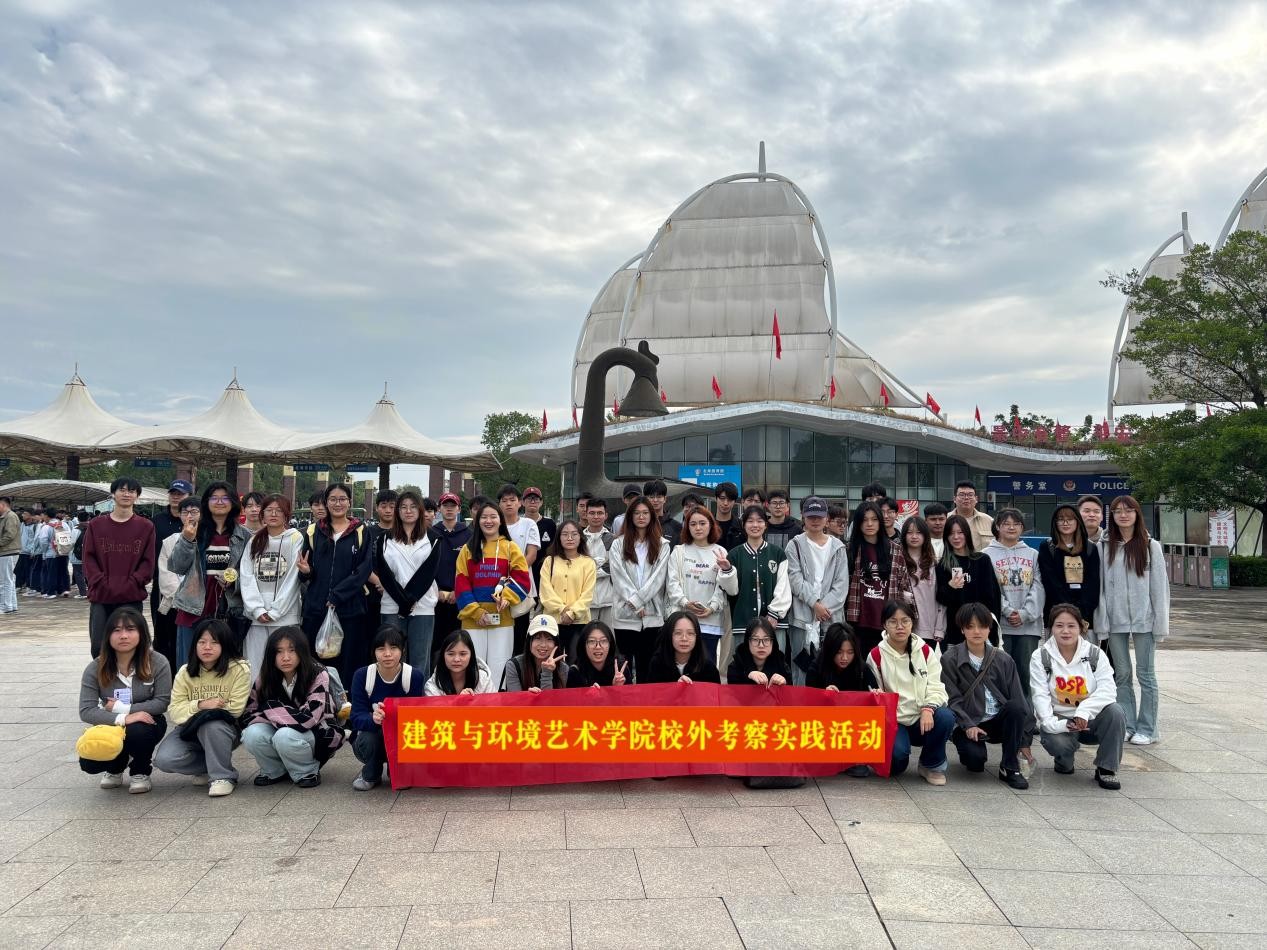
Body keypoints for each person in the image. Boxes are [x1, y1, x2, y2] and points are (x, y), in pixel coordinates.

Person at [1094, 495, 1169, 747]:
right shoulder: (1104, 547)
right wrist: (1102, 621)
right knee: (1122, 674)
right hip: (1115, 621)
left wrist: (1160, 623)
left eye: (1129, 510)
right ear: (1112, 516)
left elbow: (1159, 588)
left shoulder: (1150, 546)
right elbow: (1100, 588)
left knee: (1146, 674)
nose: (1123, 515)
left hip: (1144, 620)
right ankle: (1127, 724)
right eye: (1118, 511)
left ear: (1137, 514)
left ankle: (1148, 728)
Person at [1030, 603, 1126, 790]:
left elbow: (1108, 690)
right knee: (1057, 744)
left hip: (1090, 719)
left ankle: (1106, 768)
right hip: (1061, 719)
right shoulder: (1040, 656)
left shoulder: (1095, 654)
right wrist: (1057, 724)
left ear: (1081, 627)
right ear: (1050, 628)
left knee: (1116, 712)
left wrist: (1083, 712)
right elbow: (1039, 695)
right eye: (1059, 625)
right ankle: (1064, 758)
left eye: (1071, 626)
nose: (1065, 631)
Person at [152, 618, 251, 797]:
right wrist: (201, 704)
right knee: (164, 760)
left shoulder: (238, 669)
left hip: (225, 729)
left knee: (211, 725)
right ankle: (212, 764)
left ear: (225, 645)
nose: (207, 647)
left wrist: (201, 711)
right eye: (202, 642)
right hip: (189, 728)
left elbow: (235, 709)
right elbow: (175, 711)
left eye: (214, 642)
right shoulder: (185, 672)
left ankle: (223, 777)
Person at [77, 606, 172, 793]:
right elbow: (86, 710)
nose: (123, 636)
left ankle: (140, 771)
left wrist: (123, 708)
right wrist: (124, 717)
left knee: (138, 730)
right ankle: (116, 767)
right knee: (89, 763)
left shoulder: (158, 662)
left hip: (148, 722)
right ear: (108, 635)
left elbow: (162, 702)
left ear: (142, 633)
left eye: (130, 629)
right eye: (117, 630)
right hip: (111, 724)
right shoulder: (95, 667)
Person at [941, 603, 1034, 789]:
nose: (977, 631)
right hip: (969, 722)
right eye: (970, 626)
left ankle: (1009, 766)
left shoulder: (1003, 659)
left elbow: (1019, 700)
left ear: (989, 628)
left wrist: (1024, 741)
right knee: (975, 762)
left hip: (998, 721)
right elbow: (952, 699)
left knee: (1015, 707)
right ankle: (967, 748)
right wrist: (968, 725)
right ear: (962, 629)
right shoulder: (950, 658)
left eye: (982, 626)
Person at [242, 626, 345, 788]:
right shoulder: (266, 676)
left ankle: (306, 772)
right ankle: (274, 770)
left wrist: (270, 708)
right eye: (279, 651)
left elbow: (308, 719)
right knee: (252, 734)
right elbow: (249, 715)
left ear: (301, 651)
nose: (285, 657)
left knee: (284, 735)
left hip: (319, 734)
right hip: (286, 730)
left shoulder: (318, 674)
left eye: (292, 650)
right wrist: (278, 714)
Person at [865, 600, 954, 785]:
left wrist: (928, 708)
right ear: (884, 625)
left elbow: (936, 686)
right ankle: (896, 755)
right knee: (896, 765)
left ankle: (930, 765)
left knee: (945, 717)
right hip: (894, 721)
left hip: (923, 717)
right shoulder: (876, 655)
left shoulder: (925, 651)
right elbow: (873, 693)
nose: (900, 627)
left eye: (905, 621)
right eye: (893, 621)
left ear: (912, 623)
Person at [169, 482, 252, 664]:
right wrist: (187, 540)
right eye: (214, 498)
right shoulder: (193, 530)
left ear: (233, 502)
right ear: (206, 502)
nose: (219, 502)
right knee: (190, 666)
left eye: (225, 498)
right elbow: (177, 566)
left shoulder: (245, 536)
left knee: (225, 667)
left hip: (228, 610)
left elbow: (250, 574)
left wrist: (235, 581)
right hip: (194, 608)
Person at [298, 483, 373, 682]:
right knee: (315, 660)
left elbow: (364, 569)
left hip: (350, 609)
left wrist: (337, 596)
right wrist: (306, 572)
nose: (337, 504)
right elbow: (307, 570)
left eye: (342, 499)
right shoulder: (314, 531)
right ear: (326, 502)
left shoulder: (360, 531)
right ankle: (317, 696)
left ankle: (346, 698)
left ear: (349, 502)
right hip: (317, 607)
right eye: (333, 499)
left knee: (349, 661)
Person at [454, 501, 530, 684]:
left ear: (500, 520)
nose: (488, 521)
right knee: (473, 668)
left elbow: (522, 578)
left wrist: (507, 597)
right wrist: (476, 612)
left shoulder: (510, 547)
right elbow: (461, 582)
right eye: (484, 517)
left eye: (493, 517)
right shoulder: (467, 549)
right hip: (473, 620)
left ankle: (497, 702)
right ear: (477, 521)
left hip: (502, 618)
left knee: (500, 669)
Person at [82, 478, 157, 658]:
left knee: (131, 646)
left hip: (131, 596)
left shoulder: (145, 527)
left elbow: (148, 562)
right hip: (101, 596)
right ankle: (103, 676)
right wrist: (100, 581)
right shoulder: (96, 525)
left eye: (131, 491)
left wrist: (134, 582)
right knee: (99, 647)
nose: (126, 494)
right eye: (122, 490)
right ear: (113, 494)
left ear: (137, 496)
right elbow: (88, 558)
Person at [374, 490, 442, 679]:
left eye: (413, 507)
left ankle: (419, 697)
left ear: (420, 510)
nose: (408, 511)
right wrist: (402, 602)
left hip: (423, 606)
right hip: (391, 605)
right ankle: (393, 695)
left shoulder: (434, 538)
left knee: (420, 660)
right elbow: (385, 574)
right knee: (392, 658)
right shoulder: (384, 539)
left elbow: (428, 573)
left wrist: (410, 600)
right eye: (403, 507)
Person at [349, 624, 425, 790]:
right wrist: (372, 718)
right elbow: (356, 716)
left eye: (393, 648)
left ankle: (398, 771)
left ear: (402, 650)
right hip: (371, 738)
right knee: (369, 738)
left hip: (401, 736)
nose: (387, 654)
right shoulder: (362, 675)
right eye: (381, 648)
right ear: (374, 652)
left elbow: (418, 717)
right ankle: (371, 773)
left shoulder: (414, 676)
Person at [239, 494, 306, 680]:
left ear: (287, 514)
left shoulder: (295, 538)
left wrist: (276, 611)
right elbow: (246, 575)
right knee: (255, 666)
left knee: (285, 666)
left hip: (285, 616)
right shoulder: (254, 540)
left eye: (279, 510)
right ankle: (256, 698)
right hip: (257, 618)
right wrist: (257, 609)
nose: (273, 514)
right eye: (269, 510)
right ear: (263, 514)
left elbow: (293, 578)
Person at [785, 496, 849, 683]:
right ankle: (800, 701)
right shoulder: (794, 545)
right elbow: (795, 579)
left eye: (819, 516)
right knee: (801, 666)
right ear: (803, 517)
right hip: (802, 617)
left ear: (826, 518)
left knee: (832, 665)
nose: (815, 520)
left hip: (831, 617)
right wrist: (815, 604)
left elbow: (841, 584)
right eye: (811, 516)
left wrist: (823, 608)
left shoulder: (838, 547)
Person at [718, 505, 792, 667]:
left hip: (774, 622)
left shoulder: (777, 553)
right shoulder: (734, 554)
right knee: (743, 667)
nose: (755, 525)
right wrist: (727, 570)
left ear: (766, 524)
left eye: (759, 521)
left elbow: (784, 587)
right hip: (743, 621)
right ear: (744, 525)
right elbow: (731, 591)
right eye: (750, 521)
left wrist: (774, 614)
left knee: (776, 666)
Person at [984, 508, 1045, 696]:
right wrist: (1008, 611)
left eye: (1016, 524)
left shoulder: (1033, 554)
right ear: (997, 527)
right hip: (1000, 626)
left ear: (1022, 527)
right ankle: (1003, 713)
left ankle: (1027, 713)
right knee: (1000, 674)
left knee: (1027, 675)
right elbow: (989, 589)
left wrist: (1025, 613)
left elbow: (1039, 585)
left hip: (1028, 627)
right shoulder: (986, 555)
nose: (1011, 527)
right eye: (1006, 524)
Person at [609, 495, 671, 682]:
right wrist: (635, 604)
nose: (641, 517)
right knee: (624, 670)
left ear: (652, 516)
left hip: (652, 616)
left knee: (648, 670)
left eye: (645, 513)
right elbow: (619, 577)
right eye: (636, 513)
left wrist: (638, 601)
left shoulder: (662, 545)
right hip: (624, 616)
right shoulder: (618, 544)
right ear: (630, 516)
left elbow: (658, 579)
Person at [845, 501, 912, 655]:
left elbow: (904, 586)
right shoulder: (850, 550)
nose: (869, 524)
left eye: (874, 519)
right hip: (857, 620)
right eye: (864, 520)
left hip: (887, 620)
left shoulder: (895, 550)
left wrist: (906, 618)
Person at [666, 506, 730, 664]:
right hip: (683, 620)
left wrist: (712, 607)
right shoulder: (679, 551)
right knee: (682, 666)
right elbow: (672, 583)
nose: (698, 528)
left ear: (711, 525)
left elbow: (722, 587)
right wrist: (685, 603)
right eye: (693, 524)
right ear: (687, 527)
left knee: (707, 668)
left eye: (702, 523)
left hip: (711, 621)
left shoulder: (721, 552)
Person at [935, 514, 1002, 645]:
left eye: (960, 532)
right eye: (951, 533)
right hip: (955, 632)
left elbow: (993, 597)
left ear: (967, 534)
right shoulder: (943, 565)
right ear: (946, 537)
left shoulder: (982, 560)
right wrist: (950, 586)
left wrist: (991, 628)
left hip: (982, 628)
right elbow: (941, 599)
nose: (956, 537)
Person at [1037, 503, 1101, 630]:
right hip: (1056, 613)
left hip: (1085, 616)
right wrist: (1067, 610)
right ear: (1055, 523)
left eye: (1070, 519)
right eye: (1061, 519)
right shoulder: (1047, 547)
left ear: (1077, 521)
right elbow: (1050, 583)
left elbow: (1093, 584)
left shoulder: (1090, 548)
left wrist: (1080, 612)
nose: (1065, 523)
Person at [537, 518, 596, 657]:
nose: (570, 538)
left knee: (576, 661)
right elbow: (545, 592)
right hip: (552, 620)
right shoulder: (549, 561)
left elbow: (587, 594)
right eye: (565, 534)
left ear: (580, 537)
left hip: (579, 621)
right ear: (559, 537)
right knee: (551, 660)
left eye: (574, 534)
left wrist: (572, 613)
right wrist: (562, 609)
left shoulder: (588, 563)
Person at [498, 484, 540, 657]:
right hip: (497, 586)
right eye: (504, 500)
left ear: (520, 503)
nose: (508, 504)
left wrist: (513, 577)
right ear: (499, 504)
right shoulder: (495, 524)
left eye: (512, 500)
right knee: (500, 632)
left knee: (520, 633)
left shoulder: (528, 524)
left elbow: (532, 555)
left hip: (521, 586)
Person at [432, 492, 472, 641]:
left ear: (459, 509)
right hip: (436, 596)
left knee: (458, 640)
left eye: (453, 506)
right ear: (439, 509)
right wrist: (435, 590)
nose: (449, 509)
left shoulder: (469, 534)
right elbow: (426, 567)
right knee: (436, 641)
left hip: (460, 596)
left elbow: (470, 567)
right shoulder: (431, 534)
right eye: (445, 505)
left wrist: (459, 590)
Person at [900, 516, 945, 647]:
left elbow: (941, 600)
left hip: (928, 629)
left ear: (925, 536)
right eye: (910, 532)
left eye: (919, 533)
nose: (914, 536)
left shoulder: (933, 565)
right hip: (902, 627)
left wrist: (940, 628)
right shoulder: (897, 561)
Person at [645, 610, 722, 684]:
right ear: (669, 635)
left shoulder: (708, 667)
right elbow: (652, 691)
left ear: (697, 637)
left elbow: (715, 692)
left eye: (690, 633)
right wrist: (676, 686)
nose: (684, 638)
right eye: (678, 633)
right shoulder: (657, 664)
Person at [504, 614, 570, 691]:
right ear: (529, 641)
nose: (543, 645)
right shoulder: (514, 665)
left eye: (549, 639)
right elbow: (514, 697)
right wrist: (528, 696)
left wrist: (547, 673)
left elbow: (552, 698)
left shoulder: (563, 668)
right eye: (537, 638)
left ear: (556, 643)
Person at [806, 622, 874, 691]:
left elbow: (873, 689)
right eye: (839, 652)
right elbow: (809, 695)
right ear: (830, 649)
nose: (845, 658)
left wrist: (876, 692)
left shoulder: (862, 670)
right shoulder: (816, 669)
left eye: (850, 652)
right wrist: (824, 693)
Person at [425, 629, 495, 694]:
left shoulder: (483, 679)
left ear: (471, 655)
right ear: (443, 656)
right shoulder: (433, 684)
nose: (456, 659)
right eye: (451, 654)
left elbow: (494, 702)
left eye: (462, 654)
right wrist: (460, 700)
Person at [582, 498, 615, 633]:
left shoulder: (612, 539)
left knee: (609, 637)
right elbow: (578, 566)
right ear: (586, 514)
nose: (596, 516)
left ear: (606, 515)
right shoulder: (579, 539)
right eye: (592, 513)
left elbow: (613, 566)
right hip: (585, 601)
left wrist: (591, 567)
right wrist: (600, 563)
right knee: (587, 637)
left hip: (609, 600)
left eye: (600, 513)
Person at [726, 617, 789, 686]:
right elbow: (732, 690)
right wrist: (748, 676)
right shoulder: (736, 665)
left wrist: (784, 683)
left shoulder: (781, 664)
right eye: (755, 640)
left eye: (766, 640)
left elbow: (791, 689)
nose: (761, 645)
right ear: (748, 641)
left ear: (773, 642)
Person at [566, 621, 628, 688]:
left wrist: (617, 688)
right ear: (583, 645)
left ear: (610, 644)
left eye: (603, 641)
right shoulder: (575, 671)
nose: (598, 646)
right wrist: (586, 693)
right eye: (592, 641)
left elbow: (631, 694)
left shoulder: (620, 669)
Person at [523, 486, 556, 594]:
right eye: (529, 499)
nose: (533, 502)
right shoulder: (519, 523)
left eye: (536, 499)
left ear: (541, 502)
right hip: (524, 569)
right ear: (522, 502)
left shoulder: (549, 524)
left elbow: (555, 548)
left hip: (544, 572)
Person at [952, 481, 994, 551]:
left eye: (970, 495)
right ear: (954, 499)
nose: (966, 498)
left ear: (976, 499)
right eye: (962, 495)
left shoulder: (989, 521)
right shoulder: (946, 520)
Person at [0, 494, 20, 615]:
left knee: (4, 581)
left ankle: (5, 606)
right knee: (9, 580)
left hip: (7, 551)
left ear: (2, 504)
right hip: (8, 551)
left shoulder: (10, 516)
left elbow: (9, 535)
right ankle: (11, 605)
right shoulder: (6, 516)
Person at [713, 482, 745, 551]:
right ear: (716, 498)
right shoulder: (707, 524)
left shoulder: (741, 527)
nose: (725, 503)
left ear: (735, 501)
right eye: (722, 498)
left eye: (730, 499)